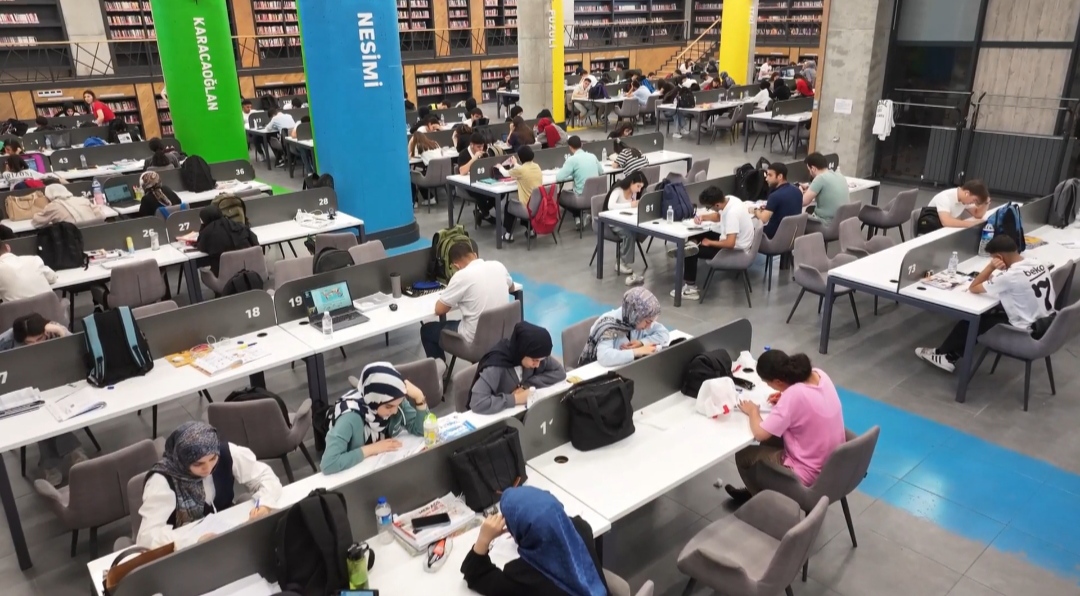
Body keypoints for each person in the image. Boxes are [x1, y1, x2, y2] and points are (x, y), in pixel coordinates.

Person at [916, 235, 1055, 373]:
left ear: (999, 257)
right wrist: (998, 279)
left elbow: (973, 287)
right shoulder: (1038, 263)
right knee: (986, 318)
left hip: (1026, 331)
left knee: (971, 322)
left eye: (993, 258)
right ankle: (949, 356)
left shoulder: (1010, 276)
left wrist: (990, 267)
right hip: (1046, 322)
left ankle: (942, 354)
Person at [723, 350, 845, 505]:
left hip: (808, 472)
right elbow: (808, 401)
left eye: (769, 384)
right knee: (770, 440)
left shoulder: (793, 395)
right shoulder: (819, 375)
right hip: (833, 465)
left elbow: (760, 434)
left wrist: (753, 411)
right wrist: (785, 397)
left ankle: (759, 502)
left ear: (778, 382)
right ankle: (761, 489)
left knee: (743, 455)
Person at [137, 421, 280, 548]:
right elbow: (147, 536)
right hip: (186, 551)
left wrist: (265, 503)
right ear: (182, 461)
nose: (208, 468)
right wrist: (190, 541)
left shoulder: (225, 452)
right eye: (198, 464)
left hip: (228, 535)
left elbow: (264, 476)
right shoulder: (162, 479)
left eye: (212, 459)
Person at [461, 486, 609, 596]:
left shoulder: (522, 576)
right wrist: (535, 529)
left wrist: (484, 539)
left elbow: (475, 575)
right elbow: (554, 517)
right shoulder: (581, 528)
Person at [0, 314, 84, 486]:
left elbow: (76, 349)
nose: (35, 345)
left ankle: (50, 465)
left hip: (55, 383)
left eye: (39, 339)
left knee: (48, 408)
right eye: (29, 343)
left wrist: (60, 331)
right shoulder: (9, 338)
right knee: (42, 411)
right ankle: (74, 451)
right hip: (24, 389)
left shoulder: (54, 329)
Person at [320, 362, 430, 474]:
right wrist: (373, 448)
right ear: (373, 401)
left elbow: (423, 430)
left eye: (398, 404)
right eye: (389, 407)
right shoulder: (349, 417)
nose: (395, 411)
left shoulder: (395, 400)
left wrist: (419, 398)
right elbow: (329, 463)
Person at [420, 241, 513, 361]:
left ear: (456, 266)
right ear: (475, 254)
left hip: (474, 342)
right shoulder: (498, 266)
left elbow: (439, 310)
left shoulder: (461, 276)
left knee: (427, 330)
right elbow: (511, 287)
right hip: (502, 336)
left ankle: (440, 370)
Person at [677, 186, 757, 301]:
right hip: (734, 241)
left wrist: (710, 242)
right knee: (695, 235)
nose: (709, 209)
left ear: (717, 205)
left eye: (709, 207)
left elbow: (730, 243)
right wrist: (702, 217)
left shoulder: (732, 214)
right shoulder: (730, 199)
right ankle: (692, 244)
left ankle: (690, 290)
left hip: (736, 251)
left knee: (691, 252)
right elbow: (719, 216)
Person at [469, 322, 565, 415]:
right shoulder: (495, 366)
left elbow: (560, 372)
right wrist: (516, 399)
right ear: (522, 351)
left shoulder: (537, 354)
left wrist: (527, 385)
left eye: (541, 360)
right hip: (497, 418)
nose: (537, 365)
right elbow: (477, 402)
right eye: (534, 360)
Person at [579, 287, 668, 367]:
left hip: (625, 368)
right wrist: (637, 351)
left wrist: (641, 342)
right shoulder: (610, 326)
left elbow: (663, 333)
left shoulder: (633, 319)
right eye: (647, 322)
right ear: (636, 315)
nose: (648, 327)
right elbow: (604, 357)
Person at [602, 171, 649, 286]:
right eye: (638, 186)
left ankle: (629, 248)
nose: (639, 190)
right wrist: (630, 205)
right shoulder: (618, 190)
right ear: (631, 182)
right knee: (629, 233)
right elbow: (610, 206)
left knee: (644, 228)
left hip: (625, 219)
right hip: (611, 221)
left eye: (641, 187)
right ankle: (621, 263)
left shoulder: (634, 193)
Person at [195, 205, 259, 277]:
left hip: (224, 276)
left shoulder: (207, 233)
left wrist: (203, 228)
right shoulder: (237, 225)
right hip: (250, 272)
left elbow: (201, 247)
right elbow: (255, 242)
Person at [556, 135, 604, 229]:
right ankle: (580, 216)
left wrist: (572, 174)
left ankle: (578, 217)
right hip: (596, 195)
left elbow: (559, 178)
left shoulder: (572, 160)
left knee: (560, 196)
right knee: (573, 191)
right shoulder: (592, 156)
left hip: (581, 198)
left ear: (570, 147)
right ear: (581, 145)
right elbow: (601, 172)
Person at [496, 145, 542, 243]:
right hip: (537, 205)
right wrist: (515, 164)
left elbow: (506, 173)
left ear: (520, 158)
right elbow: (522, 170)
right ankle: (531, 231)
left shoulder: (521, 170)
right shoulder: (536, 166)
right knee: (517, 204)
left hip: (526, 208)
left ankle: (508, 235)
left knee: (509, 206)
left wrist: (499, 167)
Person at [0, 225, 57, 301]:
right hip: (50, 308)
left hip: (18, 309)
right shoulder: (34, 260)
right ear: (8, 247)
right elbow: (53, 277)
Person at [457, 131, 500, 224]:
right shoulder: (464, 154)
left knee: (500, 193)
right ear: (471, 145)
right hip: (468, 183)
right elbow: (462, 171)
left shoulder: (484, 151)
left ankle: (481, 212)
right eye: (478, 147)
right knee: (481, 194)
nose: (481, 149)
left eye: (482, 146)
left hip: (483, 179)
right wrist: (474, 158)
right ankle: (486, 215)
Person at [800, 152, 849, 231]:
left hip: (826, 225)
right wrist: (810, 187)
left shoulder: (820, 178)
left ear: (813, 168)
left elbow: (803, 202)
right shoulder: (839, 175)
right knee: (811, 209)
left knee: (800, 221)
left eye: (809, 170)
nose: (809, 173)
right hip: (842, 223)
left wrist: (799, 191)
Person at [753, 162, 803, 239]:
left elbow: (763, 219)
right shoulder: (797, 191)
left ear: (780, 176)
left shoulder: (774, 196)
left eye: (770, 175)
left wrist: (755, 211)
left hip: (772, 237)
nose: (766, 179)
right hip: (793, 236)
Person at [32, 183, 104, 228]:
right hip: (96, 233)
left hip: (71, 239)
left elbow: (36, 222)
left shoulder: (53, 206)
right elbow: (101, 215)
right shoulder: (82, 199)